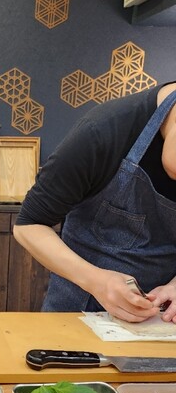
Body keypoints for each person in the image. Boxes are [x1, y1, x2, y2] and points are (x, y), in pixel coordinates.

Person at [13, 82, 176, 323]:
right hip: (79, 313)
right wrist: (96, 281)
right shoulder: (102, 131)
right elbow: (28, 225)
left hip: (164, 324)